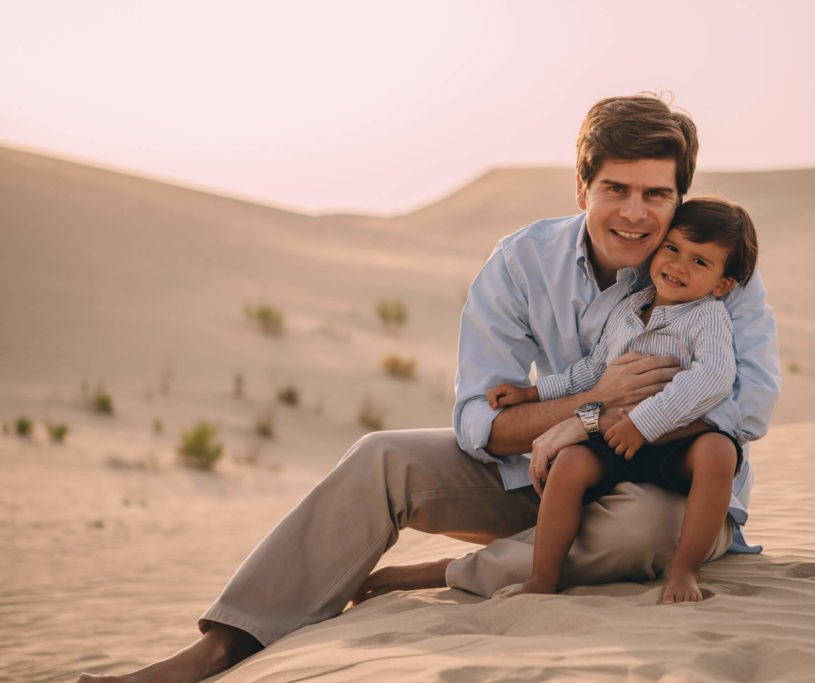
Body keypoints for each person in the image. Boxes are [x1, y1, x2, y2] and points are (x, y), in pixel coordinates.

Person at [79, 94, 779, 683]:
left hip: (670, 494)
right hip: (546, 473)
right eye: (616, 190)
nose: (635, 214)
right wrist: (575, 409)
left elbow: (743, 408)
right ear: (582, 189)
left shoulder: (714, 272)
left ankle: (448, 571)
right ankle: (228, 641)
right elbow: (482, 421)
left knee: (639, 525)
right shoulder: (522, 262)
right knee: (383, 454)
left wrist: (591, 420)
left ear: (679, 196)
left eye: (656, 194)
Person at [486, 197, 758, 603]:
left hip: (674, 440)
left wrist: (643, 423)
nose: (679, 265)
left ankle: (685, 571)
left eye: (700, 262)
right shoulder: (628, 308)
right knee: (570, 464)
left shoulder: (708, 317)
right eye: (673, 248)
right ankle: (543, 577)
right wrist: (533, 391)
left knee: (719, 453)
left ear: (721, 285)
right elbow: (594, 370)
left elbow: (713, 378)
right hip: (617, 435)